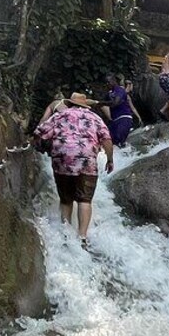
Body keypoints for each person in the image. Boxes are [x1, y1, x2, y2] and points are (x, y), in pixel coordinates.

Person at [33, 92, 113, 247]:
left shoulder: (60, 115)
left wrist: (35, 144)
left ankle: (65, 235)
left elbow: (40, 132)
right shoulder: (94, 117)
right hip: (87, 161)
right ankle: (82, 237)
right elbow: (107, 139)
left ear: (70, 103)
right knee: (85, 199)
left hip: (62, 160)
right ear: (85, 105)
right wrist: (110, 159)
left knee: (66, 199)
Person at [96, 74, 135, 146]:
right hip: (115, 121)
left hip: (124, 118)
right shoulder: (109, 93)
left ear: (114, 81)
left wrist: (100, 103)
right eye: (106, 83)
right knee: (109, 142)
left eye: (108, 82)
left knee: (119, 140)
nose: (107, 84)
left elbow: (115, 103)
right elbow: (101, 104)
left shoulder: (120, 90)